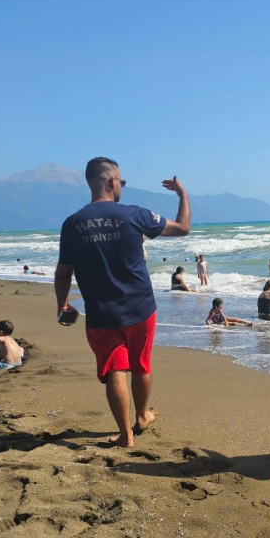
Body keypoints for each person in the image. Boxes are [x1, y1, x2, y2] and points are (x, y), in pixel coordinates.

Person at [54, 156, 190, 448]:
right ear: (112, 181)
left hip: (101, 313)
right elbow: (182, 227)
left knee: (115, 369)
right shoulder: (134, 214)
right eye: (123, 181)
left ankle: (125, 436)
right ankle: (141, 416)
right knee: (141, 365)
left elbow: (63, 271)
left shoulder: (73, 223)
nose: (123, 186)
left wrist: (62, 304)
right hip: (140, 309)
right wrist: (183, 194)